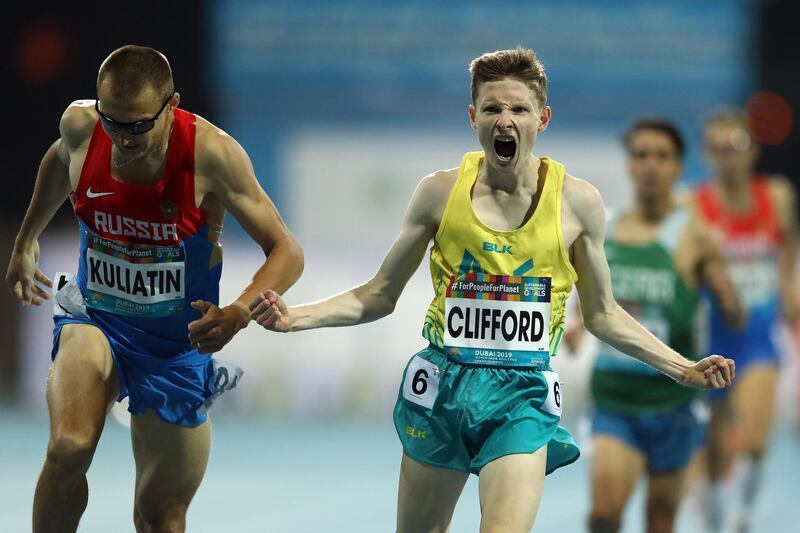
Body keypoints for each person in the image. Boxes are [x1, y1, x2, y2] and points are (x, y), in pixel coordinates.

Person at [249, 48, 735, 533]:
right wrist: (295, 318)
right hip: (443, 390)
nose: (505, 120)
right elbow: (379, 295)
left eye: (519, 109)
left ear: (542, 118)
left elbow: (603, 314)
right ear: (472, 117)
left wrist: (683, 368)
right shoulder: (438, 193)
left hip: (522, 396)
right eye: (492, 108)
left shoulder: (577, 202)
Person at [4, 45, 304, 533]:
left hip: (175, 350)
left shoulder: (212, 154)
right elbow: (60, 162)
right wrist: (26, 240)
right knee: (69, 448)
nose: (124, 138)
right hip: (96, 318)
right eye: (114, 123)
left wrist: (238, 312)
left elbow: (287, 251)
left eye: (140, 125)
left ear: (173, 105)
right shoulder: (82, 126)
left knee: (160, 517)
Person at [571, 118, 745, 533]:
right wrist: (576, 323)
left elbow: (735, 320)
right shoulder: (604, 230)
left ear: (679, 166)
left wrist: (728, 300)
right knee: (604, 515)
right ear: (629, 165)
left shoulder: (697, 236)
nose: (650, 165)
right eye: (640, 155)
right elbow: (595, 300)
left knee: (660, 520)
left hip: (674, 405)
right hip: (614, 399)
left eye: (661, 156)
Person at [696, 108, 798, 533]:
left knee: (756, 441)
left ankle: (745, 514)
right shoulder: (695, 205)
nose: (728, 157)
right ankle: (714, 509)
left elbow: (787, 245)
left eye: (736, 147)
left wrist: (788, 288)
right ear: (707, 155)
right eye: (719, 149)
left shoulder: (776, 195)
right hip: (713, 340)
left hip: (758, 337)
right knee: (717, 451)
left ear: (752, 151)